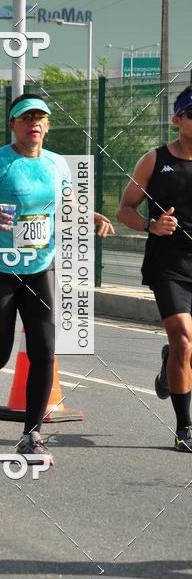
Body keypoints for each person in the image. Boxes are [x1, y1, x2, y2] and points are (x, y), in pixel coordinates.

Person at [0, 94, 114, 463]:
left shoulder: (58, 165)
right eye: (26, 118)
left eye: (40, 118)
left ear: (47, 126)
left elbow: (67, 202)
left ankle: (31, 435)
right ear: (13, 125)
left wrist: (93, 216)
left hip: (41, 267)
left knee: (43, 351)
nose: (34, 124)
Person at [117, 86, 192, 452]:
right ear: (177, 120)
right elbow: (125, 209)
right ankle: (185, 427)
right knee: (182, 336)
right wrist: (152, 225)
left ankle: (169, 368)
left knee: (185, 349)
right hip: (168, 264)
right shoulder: (154, 159)